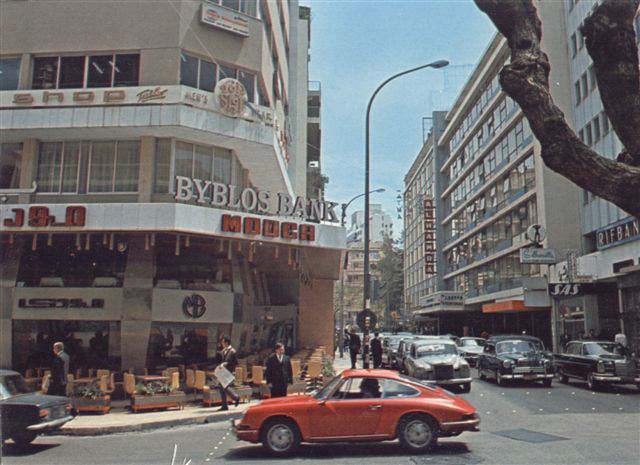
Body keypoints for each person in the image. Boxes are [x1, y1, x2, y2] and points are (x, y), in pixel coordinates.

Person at [216, 336, 239, 411]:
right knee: (222, 386)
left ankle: (235, 397)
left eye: (223, 342)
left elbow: (235, 363)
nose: (222, 344)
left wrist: (227, 364)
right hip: (224, 372)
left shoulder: (233, 351)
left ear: (226, 342)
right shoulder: (223, 351)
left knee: (223, 386)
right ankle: (225, 405)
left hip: (229, 371)